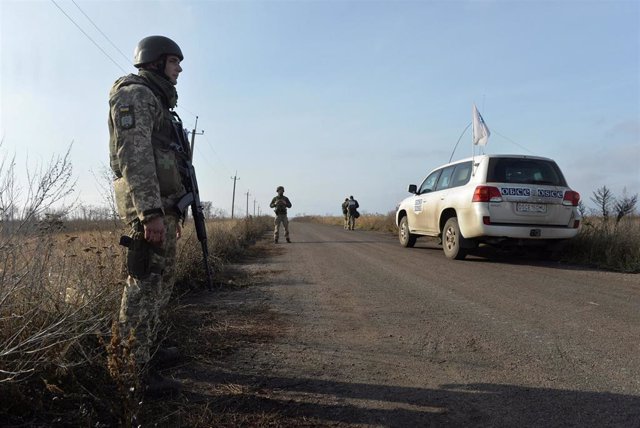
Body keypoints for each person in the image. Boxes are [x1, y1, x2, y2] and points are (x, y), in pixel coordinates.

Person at [108, 35, 187, 395]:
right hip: (150, 212)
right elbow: (134, 155)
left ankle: (147, 351)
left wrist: (173, 212)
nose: (179, 69)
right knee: (144, 287)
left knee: (160, 285)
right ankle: (130, 371)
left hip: (164, 209)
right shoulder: (136, 94)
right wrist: (150, 214)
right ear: (155, 62)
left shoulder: (157, 100)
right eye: (174, 62)